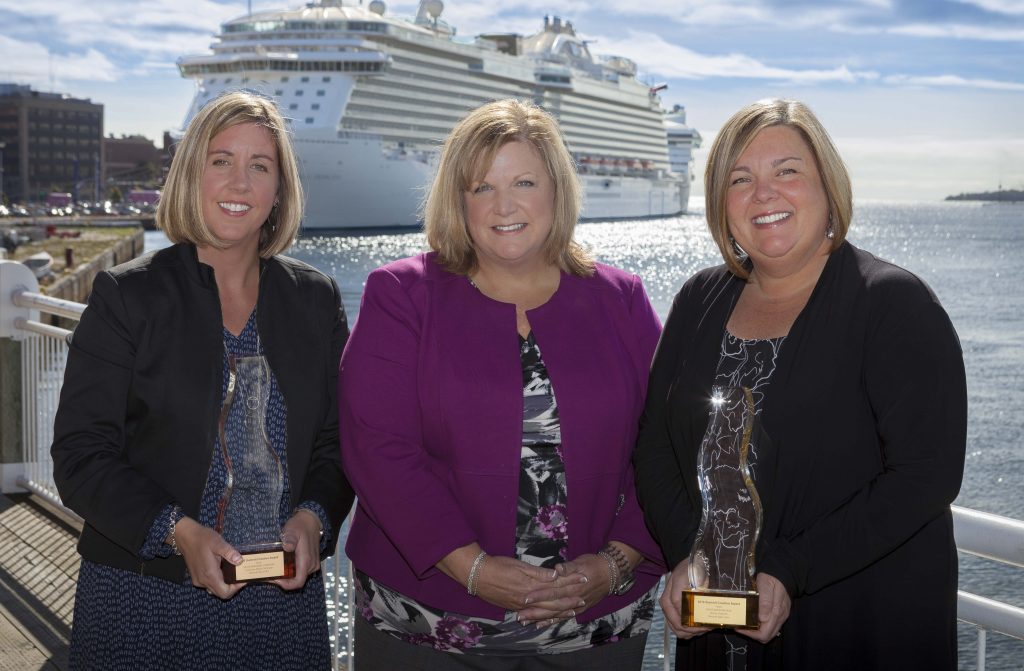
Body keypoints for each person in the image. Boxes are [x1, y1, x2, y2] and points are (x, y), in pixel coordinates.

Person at [633, 98, 967, 670]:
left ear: (828, 186)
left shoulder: (893, 304)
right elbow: (654, 445)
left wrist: (790, 569)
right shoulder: (698, 299)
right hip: (720, 631)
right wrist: (691, 554)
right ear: (721, 203)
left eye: (787, 171)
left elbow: (926, 476)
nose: (764, 194)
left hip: (858, 628)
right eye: (740, 179)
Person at [339, 99, 664, 669]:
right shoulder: (401, 295)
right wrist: (471, 568)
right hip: (429, 624)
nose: (505, 205)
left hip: (594, 623)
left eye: (524, 182)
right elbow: (378, 448)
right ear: (457, 200)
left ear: (557, 190)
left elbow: (668, 447)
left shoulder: (623, 299)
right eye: (481, 187)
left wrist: (617, 562)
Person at [51, 90, 354, 670]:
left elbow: (338, 441)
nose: (240, 184)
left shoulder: (315, 299)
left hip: (282, 609)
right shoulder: (126, 297)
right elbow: (81, 456)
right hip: (145, 600)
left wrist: (315, 516)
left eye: (259, 167)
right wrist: (177, 532)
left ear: (278, 190)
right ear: (193, 173)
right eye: (222, 161)